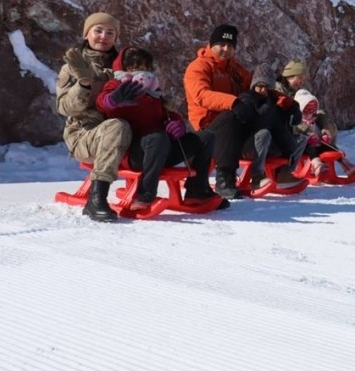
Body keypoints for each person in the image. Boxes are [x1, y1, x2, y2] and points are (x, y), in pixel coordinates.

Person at [95, 47, 228, 211]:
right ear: (123, 69)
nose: (141, 72)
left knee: (206, 137)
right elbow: (102, 102)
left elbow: (166, 114)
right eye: (135, 67)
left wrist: (176, 124)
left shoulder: (153, 91)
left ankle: (197, 189)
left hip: (160, 149)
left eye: (145, 67)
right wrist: (113, 98)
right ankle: (144, 194)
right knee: (157, 138)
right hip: (132, 153)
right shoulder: (117, 85)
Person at [183, 24, 304, 200]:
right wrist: (233, 102)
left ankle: (282, 169)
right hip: (209, 126)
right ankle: (225, 178)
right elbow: (201, 95)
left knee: (271, 106)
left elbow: (259, 88)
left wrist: (288, 103)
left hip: (238, 120)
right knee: (230, 117)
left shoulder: (235, 69)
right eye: (222, 45)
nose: (226, 49)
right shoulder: (198, 67)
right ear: (211, 44)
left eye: (231, 46)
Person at [57, 12, 135, 222]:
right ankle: (97, 198)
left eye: (110, 32)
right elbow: (65, 107)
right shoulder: (72, 66)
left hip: (124, 132)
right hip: (84, 135)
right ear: (87, 34)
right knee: (117, 127)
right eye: (98, 30)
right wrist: (83, 84)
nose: (104, 36)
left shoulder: (123, 66)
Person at [293, 89, 355, 179]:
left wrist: (324, 135)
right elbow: (296, 131)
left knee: (331, 147)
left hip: (318, 143)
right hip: (303, 147)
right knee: (311, 148)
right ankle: (317, 166)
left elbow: (325, 123)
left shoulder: (316, 119)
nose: (309, 114)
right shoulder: (296, 121)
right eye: (306, 111)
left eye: (312, 111)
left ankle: (346, 165)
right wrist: (309, 137)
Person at [275, 59, 340, 147]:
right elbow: (287, 119)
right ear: (290, 76)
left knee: (328, 126)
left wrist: (326, 125)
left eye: (303, 79)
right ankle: (316, 156)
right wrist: (309, 131)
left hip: (300, 127)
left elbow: (314, 109)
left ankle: (330, 151)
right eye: (300, 78)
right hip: (286, 131)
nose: (302, 82)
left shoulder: (297, 92)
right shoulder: (278, 93)